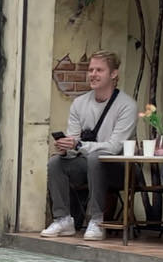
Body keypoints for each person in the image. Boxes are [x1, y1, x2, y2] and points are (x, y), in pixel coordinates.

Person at [43, 51, 138, 240]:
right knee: (56, 163)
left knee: (97, 158)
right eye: (91, 70)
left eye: (99, 70)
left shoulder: (127, 105)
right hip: (86, 164)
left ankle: (97, 219)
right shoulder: (79, 103)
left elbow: (113, 148)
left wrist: (78, 144)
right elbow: (75, 143)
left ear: (113, 74)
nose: (93, 74)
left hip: (120, 168)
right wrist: (66, 147)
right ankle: (63, 219)